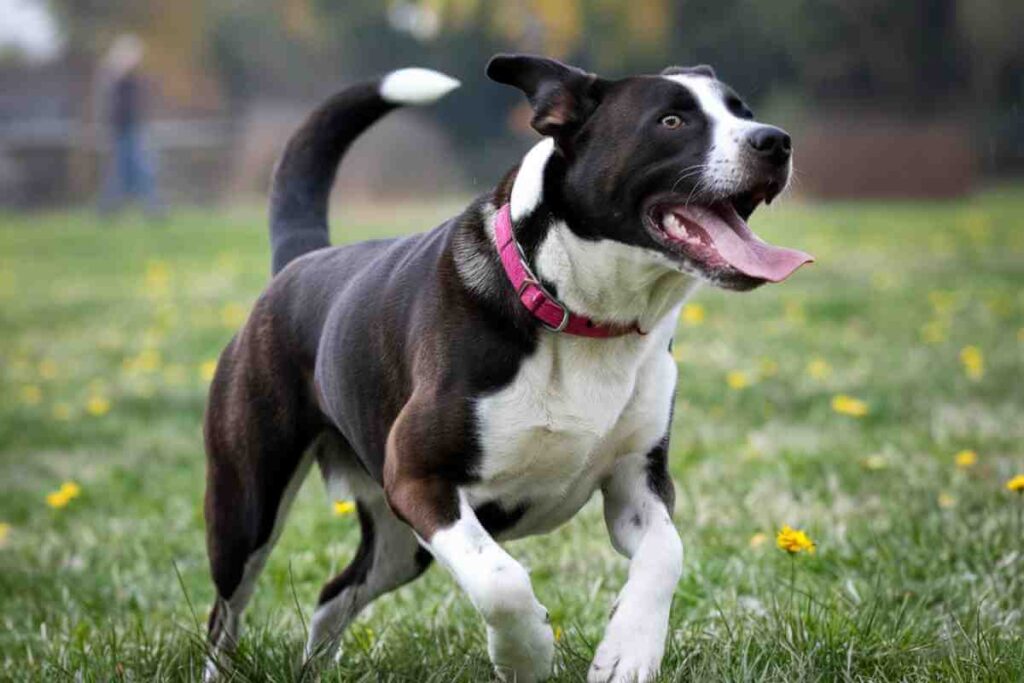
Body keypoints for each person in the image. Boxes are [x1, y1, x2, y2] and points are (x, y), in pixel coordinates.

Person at [97, 34, 163, 217]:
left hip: (134, 128)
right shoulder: (115, 79)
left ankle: (149, 208)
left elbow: (141, 103)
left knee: (135, 171)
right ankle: (150, 208)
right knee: (128, 171)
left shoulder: (133, 79)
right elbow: (111, 106)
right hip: (122, 129)